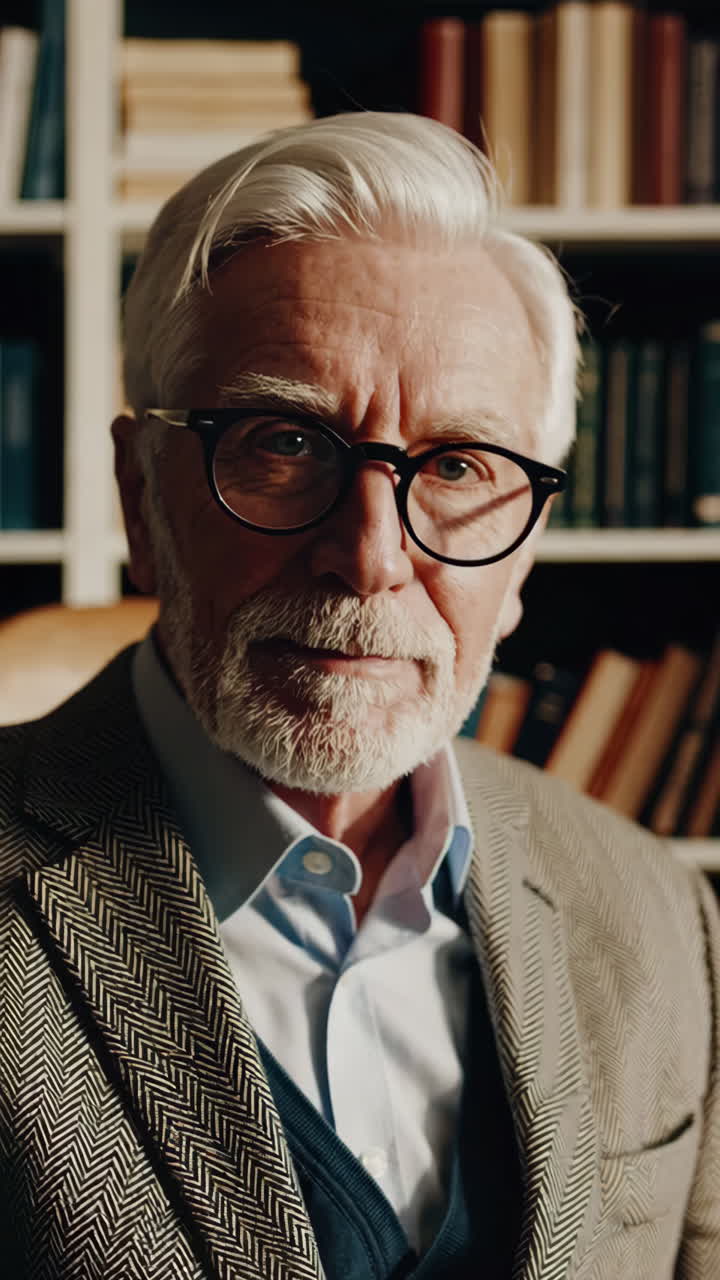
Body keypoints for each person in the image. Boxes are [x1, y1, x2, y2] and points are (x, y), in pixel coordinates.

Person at [0, 112, 718, 1280]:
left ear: (528, 547)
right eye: (285, 441)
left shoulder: (655, 913)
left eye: (459, 466)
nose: (372, 553)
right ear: (141, 497)